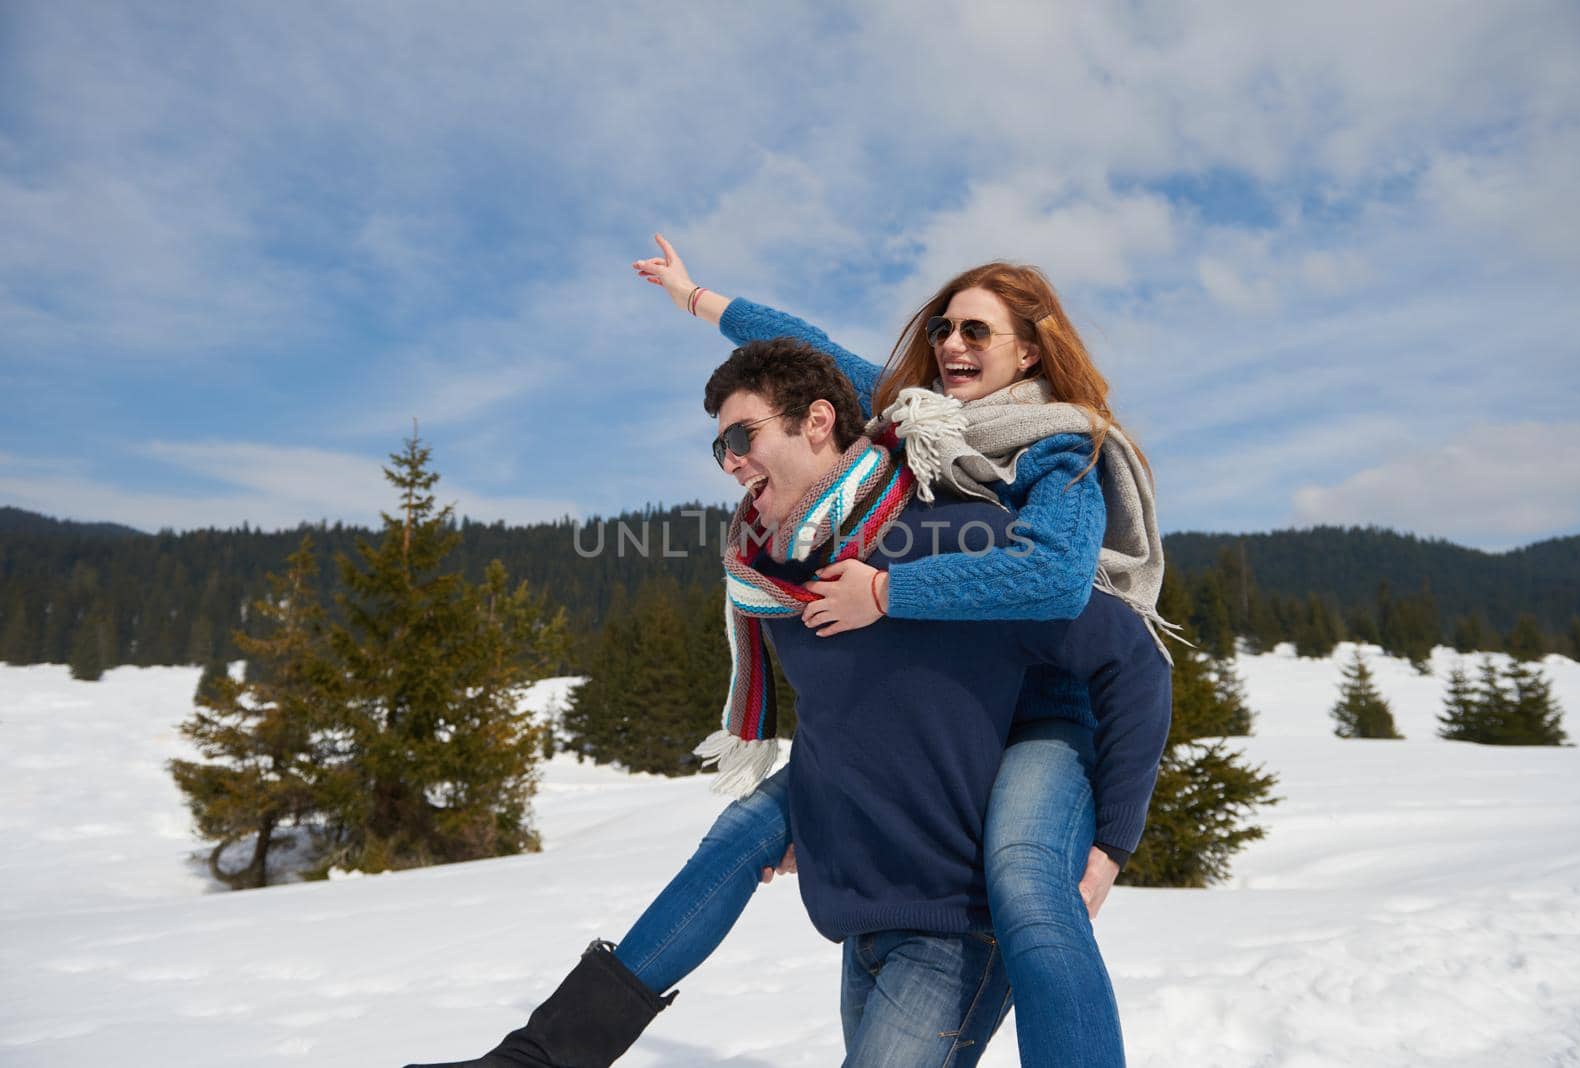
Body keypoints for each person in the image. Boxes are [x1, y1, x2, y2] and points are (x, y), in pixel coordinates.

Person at [406, 342, 1170, 1068]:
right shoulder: (772, 576)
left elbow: (1132, 663)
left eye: (743, 435)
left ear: (817, 422)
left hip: (954, 924)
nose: (731, 461)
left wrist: (1110, 842)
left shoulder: (957, 539)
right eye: (719, 448)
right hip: (866, 913)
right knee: (739, 831)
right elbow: (852, 714)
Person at [633, 235, 1173, 1066]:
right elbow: (805, 349)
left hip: (1041, 708)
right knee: (746, 832)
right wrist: (698, 296)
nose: (953, 344)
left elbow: (1058, 578)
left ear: (1029, 349)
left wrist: (887, 594)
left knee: (1028, 885)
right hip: (955, 707)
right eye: (945, 328)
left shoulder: (1063, 447)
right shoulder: (917, 414)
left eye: (978, 332)